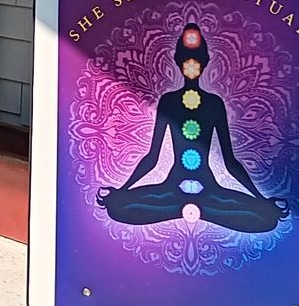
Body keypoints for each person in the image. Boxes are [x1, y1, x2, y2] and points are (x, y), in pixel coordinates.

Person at [96, 20, 287, 233]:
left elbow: (230, 161)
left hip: (210, 190)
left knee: (266, 219)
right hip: (171, 189)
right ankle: (194, 209)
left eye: (196, 60)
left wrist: (260, 199)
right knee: (118, 208)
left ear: (205, 62)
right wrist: (123, 190)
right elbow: (152, 157)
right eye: (186, 59)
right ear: (178, 61)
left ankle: (193, 209)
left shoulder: (214, 103)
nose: (192, 64)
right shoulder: (168, 101)